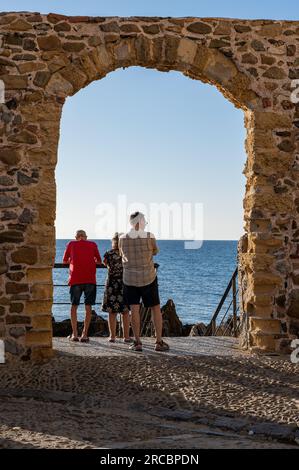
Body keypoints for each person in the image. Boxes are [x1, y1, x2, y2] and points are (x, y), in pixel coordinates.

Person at [119, 212, 169, 352]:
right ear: (140, 222)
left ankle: (138, 342)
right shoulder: (149, 236)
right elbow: (155, 251)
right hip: (148, 277)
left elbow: (121, 254)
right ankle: (158, 342)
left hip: (129, 279)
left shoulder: (122, 238)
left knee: (134, 310)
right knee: (155, 308)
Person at [63, 230, 102, 342]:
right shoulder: (93, 244)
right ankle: (84, 335)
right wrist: (91, 261)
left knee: (74, 306)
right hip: (90, 280)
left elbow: (64, 261)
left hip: (75, 280)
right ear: (85, 237)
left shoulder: (71, 244)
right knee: (88, 307)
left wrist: (72, 260)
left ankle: (74, 334)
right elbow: (99, 261)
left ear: (76, 237)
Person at [102, 233, 132, 344]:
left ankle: (112, 336)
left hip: (111, 283)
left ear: (113, 242)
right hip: (124, 283)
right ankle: (127, 337)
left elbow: (105, 263)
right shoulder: (126, 254)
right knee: (125, 311)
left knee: (112, 311)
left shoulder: (108, 254)